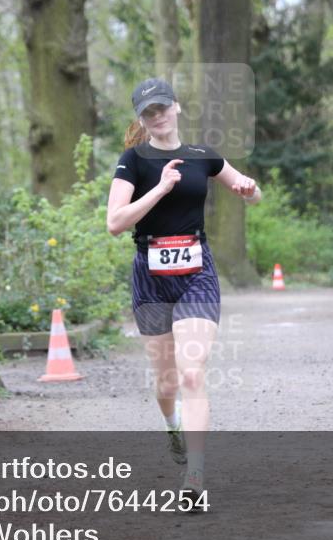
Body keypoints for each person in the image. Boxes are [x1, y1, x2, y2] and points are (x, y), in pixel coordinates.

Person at [106, 77, 262, 505]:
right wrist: (159, 188)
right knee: (167, 380)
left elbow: (250, 190)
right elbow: (115, 223)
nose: (157, 117)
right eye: (148, 112)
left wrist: (250, 191)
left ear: (176, 108)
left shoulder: (202, 156)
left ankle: (194, 478)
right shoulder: (133, 161)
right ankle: (172, 425)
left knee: (192, 371)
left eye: (162, 108)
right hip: (150, 276)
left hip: (197, 272)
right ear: (142, 119)